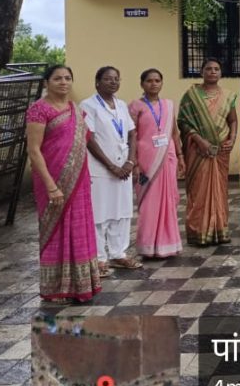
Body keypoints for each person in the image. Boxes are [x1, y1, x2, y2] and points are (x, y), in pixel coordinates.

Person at [25, 65, 101, 304]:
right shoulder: (39, 110)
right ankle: (57, 287)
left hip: (78, 181)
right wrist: (51, 186)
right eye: (57, 78)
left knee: (79, 228)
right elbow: (34, 150)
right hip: (52, 179)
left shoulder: (75, 109)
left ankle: (81, 284)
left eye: (68, 78)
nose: (64, 82)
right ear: (46, 83)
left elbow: (83, 142)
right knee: (56, 229)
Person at [178, 57, 238, 246]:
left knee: (219, 190)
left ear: (221, 73)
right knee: (198, 191)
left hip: (220, 150)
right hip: (198, 150)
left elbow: (233, 120)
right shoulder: (191, 96)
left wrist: (232, 139)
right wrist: (200, 141)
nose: (213, 72)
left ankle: (219, 230)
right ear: (202, 72)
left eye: (216, 69)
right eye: (209, 68)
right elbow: (183, 122)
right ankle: (199, 231)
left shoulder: (228, 95)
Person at [85, 66, 139, 274]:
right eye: (108, 79)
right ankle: (99, 258)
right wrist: (110, 166)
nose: (113, 82)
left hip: (124, 167)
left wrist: (130, 162)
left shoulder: (121, 105)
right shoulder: (88, 105)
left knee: (122, 212)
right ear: (97, 82)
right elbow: (89, 138)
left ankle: (118, 254)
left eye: (117, 78)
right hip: (100, 169)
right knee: (100, 213)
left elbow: (132, 133)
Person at [128, 68, 183, 259]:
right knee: (149, 205)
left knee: (168, 202)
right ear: (142, 84)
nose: (153, 84)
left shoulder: (168, 105)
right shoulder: (135, 106)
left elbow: (174, 132)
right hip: (146, 162)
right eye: (149, 81)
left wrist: (180, 155)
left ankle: (168, 245)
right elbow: (131, 136)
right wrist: (134, 162)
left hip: (167, 159)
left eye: (157, 80)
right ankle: (148, 246)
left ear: (162, 83)